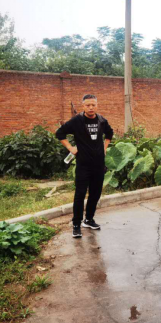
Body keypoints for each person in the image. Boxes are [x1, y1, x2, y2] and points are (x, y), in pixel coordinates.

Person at [56, 94, 114, 239]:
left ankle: (89, 219)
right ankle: (76, 224)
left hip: (98, 164)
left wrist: (104, 148)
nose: (91, 108)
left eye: (93, 105)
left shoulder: (101, 120)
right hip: (83, 164)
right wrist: (70, 148)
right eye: (88, 105)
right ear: (83, 106)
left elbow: (109, 133)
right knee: (80, 194)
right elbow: (60, 133)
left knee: (95, 193)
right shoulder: (77, 121)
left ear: (97, 105)